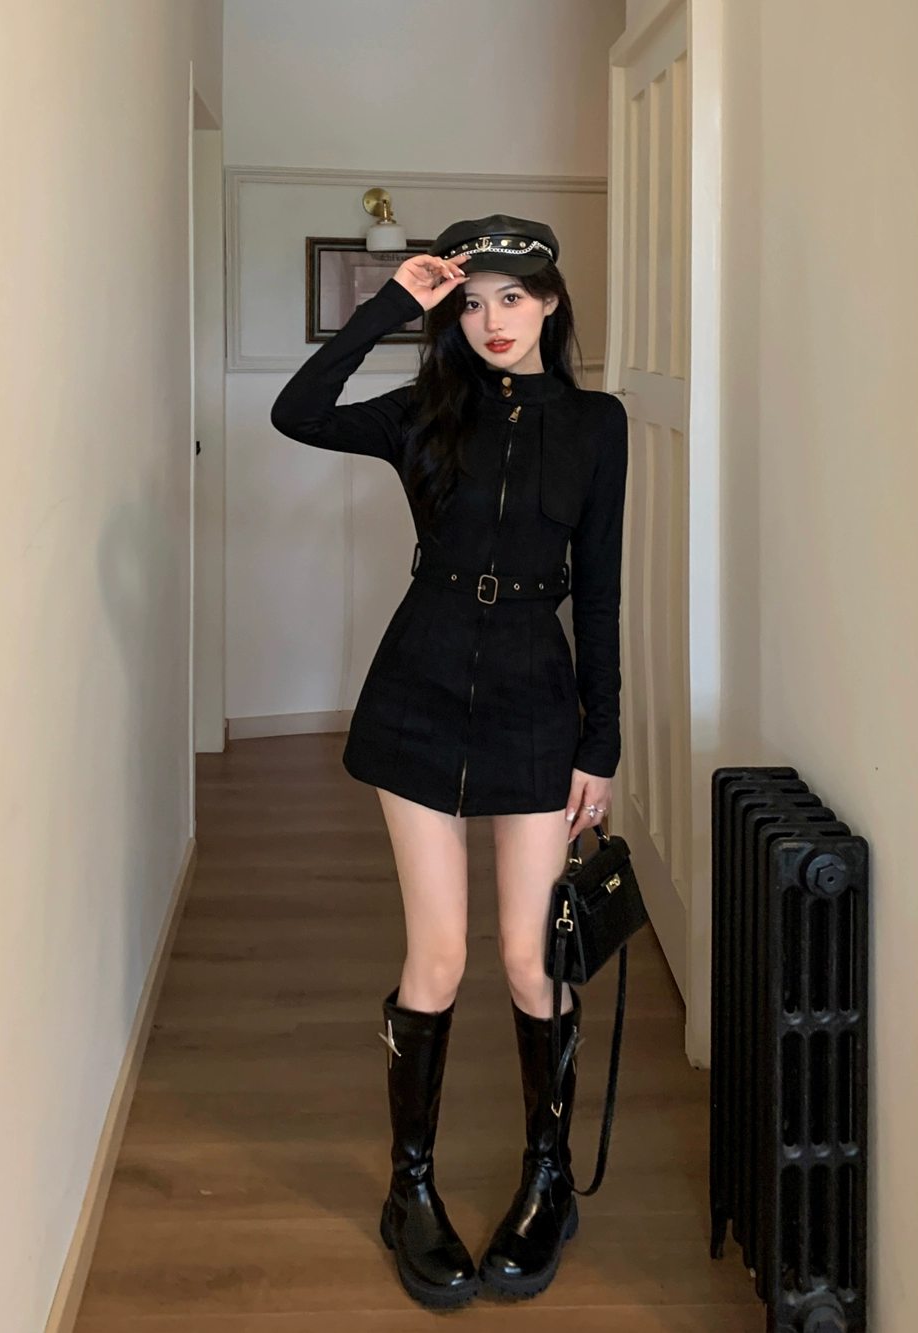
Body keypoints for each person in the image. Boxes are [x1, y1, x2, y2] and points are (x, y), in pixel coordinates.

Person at [270, 213, 628, 1308]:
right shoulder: (426, 408)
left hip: (535, 695)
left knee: (528, 958)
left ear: (552, 301)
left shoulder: (596, 424)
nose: (491, 321)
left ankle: (547, 1180)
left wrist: (602, 738)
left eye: (511, 297)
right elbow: (298, 410)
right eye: (471, 302)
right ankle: (409, 1189)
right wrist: (394, 302)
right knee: (436, 958)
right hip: (419, 687)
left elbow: (599, 590)